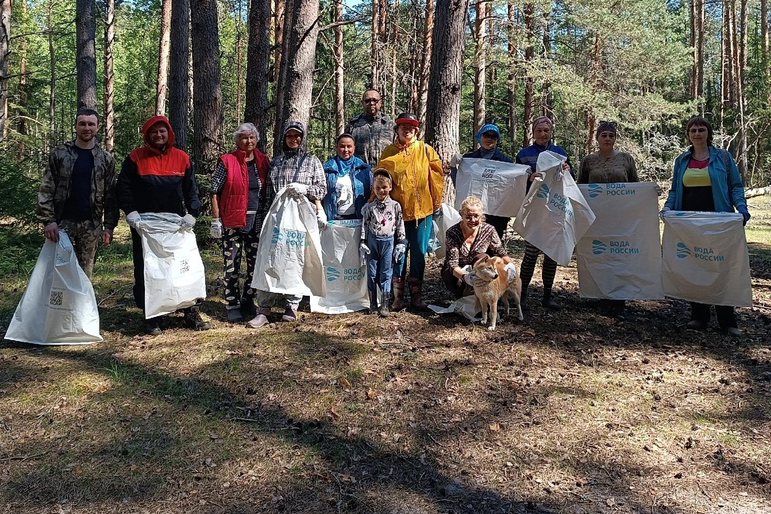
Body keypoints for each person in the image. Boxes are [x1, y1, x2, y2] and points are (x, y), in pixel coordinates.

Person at [117, 115, 209, 335]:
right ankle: (152, 315)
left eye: (162, 131)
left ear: (169, 134)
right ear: (147, 135)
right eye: (154, 132)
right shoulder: (135, 158)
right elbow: (124, 187)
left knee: (183, 266)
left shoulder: (182, 158)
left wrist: (193, 213)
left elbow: (191, 189)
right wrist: (130, 212)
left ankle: (189, 311)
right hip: (145, 225)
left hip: (176, 224)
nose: (159, 135)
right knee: (147, 268)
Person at [663, 116, 750, 336]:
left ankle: (727, 319)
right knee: (695, 263)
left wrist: (741, 208)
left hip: (719, 220)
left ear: (708, 133)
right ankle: (699, 315)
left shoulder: (723, 157)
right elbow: (674, 190)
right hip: (690, 222)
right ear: (688, 134)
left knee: (720, 265)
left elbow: (735, 186)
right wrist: (667, 208)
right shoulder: (681, 161)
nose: (697, 133)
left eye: (701, 130)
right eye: (693, 130)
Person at [247, 120, 327, 328]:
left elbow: (322, 189)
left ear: (302, 138)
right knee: (270, 257)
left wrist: (306, 189)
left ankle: (292, 305)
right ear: (284, 138)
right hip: (278, 219)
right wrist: (261, 225)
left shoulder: (311, 161)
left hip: (301, 220)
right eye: (290, 136)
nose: (294, 139)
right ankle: (263, 308)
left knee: (295, 259)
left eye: (297, 136)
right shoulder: (277, 163)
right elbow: (267, 195)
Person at [37, 108, 118, 278]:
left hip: (91, 226)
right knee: (59, 274)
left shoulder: (105, 159)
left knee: (84, 275)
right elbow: (47, 187)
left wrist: (109, 226)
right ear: (75, 126)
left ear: (97, 127)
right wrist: (48, 221)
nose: (86, 128)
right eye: (82, 124)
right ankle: (57, 305)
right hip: (61, 225)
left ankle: (81, 305)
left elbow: (111, 195)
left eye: (91, 124)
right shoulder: (60, 154)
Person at [376, 113, 444, 311]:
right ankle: (397, 297)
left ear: (416, 130)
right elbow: (380, 180)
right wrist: (375, 204)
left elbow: (437, 178)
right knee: (398, 253)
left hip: (422, 214)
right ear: (396, 129)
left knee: (419, 255)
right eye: (403, 126)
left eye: (411, 127)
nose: (408, 130)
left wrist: (436, 203)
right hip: (396, 214)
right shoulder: (388, 152)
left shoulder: (425, 150)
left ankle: (416, 296)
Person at [209, 123, 271, 323]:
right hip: (232, 222)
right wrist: (216, 219)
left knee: (255, 265)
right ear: (237, 141)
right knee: (232, 266)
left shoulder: (263, 161)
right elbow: (214, 190)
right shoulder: (227, 161)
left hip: (257, 222)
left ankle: (248, 300)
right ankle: (232, 304)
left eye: (252, 137)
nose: (249, 141)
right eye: (244, 137)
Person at [578, 121, 638, 320]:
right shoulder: (588, 161)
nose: (607, 139)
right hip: (596, 218)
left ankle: (619, 300)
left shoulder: (626, 160)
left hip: (621, 217)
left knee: (619, 255)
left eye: (611, 136)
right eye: (603, 135)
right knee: (600, 255)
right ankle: (602, 297)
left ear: (615, 138)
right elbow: (581, 188)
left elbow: (636, 187)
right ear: (597, 138)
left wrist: (649, 194)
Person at [516, 116, 572, 311]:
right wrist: (529, 178)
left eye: (546, 131)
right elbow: (517, 181)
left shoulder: (560, 152)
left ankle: (547, 295)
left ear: (550, 132)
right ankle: (522, 295)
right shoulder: (524, 154)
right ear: (533, 132)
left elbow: (568, 179)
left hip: (555, 210)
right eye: (539, 130)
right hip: (534, 210)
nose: (542, 134)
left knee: (551, 254)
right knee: (530, 254)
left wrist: (567, 169)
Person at [441, 196, 512, 299]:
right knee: (448, 272)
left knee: (482, 257)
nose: (472, 220)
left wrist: (511, 267)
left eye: (476, 216)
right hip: (460, 271)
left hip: (481, 270)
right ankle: (461, 294)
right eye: (468, 216)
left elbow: (500, 252)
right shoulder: (452, 233)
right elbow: (452, 263)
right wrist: (466, 277)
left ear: (481, 215)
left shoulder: (489, 230)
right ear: (461, 214)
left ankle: (486, 295)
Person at [359, 169, 406, 316]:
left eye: (384, 187)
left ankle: (385, 304)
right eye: (378, 188)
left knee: (386, 272)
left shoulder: (395, 206)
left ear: (390, 187)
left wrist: (401, 242)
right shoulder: (369, 207)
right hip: (373, 241)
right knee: (372, 273)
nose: (381, 191)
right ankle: (373, 303)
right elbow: (364, 224)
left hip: (388, 241)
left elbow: (400, 224)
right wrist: (363, 241)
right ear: (373, 188)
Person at [462, 123, 514, 239]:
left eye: (493, 137)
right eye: (486, 135)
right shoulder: (468, 159)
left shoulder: (506, 162)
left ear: (497, 140)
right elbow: (461, 181)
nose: (489, 139)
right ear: (480, 137)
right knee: (471, 245)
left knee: (493, 248)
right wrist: (451, 168)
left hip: (497, 214)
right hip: (473, 212)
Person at [321, 133, 372, 220]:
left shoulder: (364, 169)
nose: (346, 150)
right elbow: (320, 194)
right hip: (333, 219)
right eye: (342, 146)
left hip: (358, 218)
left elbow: (372, 193)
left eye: (349, 146)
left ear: (354, 148)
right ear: (337, 148)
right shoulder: (327, 169)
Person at [345, 89, 394, 167]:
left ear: (380, 102)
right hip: (358, 174)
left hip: (385, 174)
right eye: (367, 101)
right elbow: (345, 151)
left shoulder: (391, 125)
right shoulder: (353, 125)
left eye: (375, 100)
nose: (371, 103)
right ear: (362, 103)